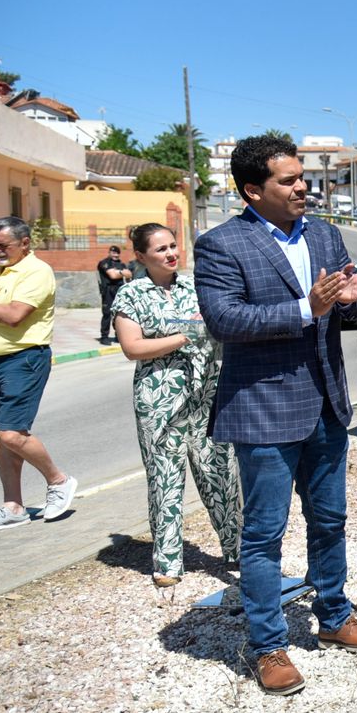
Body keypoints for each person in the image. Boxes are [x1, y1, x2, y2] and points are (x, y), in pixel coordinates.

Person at [195, 135, 357, 696]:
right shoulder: (221, 245)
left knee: (330, 520)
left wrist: (355, 295)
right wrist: (309, 307)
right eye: (288, 180)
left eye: (302, 177)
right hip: (264, 412)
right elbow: (225, 320)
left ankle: (334, 617)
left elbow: (351, 306)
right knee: (263, 536)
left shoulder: (324, 234)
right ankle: (268, 646)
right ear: (253, 190)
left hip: (326, 405)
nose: (303, 186)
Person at [112, 223, 241, 587]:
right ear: (141, 256)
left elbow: (220, 324)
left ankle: (238, 549)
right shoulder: (131, 295)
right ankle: (168, 561)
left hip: (207, 394)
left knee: (221, 473)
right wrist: (183, 336)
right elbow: (132, 347)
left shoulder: (196, 287)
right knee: (165, 478)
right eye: (160, 249)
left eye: (173, 246)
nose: (171, 254)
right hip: (159, 400)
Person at [0, 217, 78, 533]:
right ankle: (13, 505)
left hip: (24, 359)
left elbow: (14, 315)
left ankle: (59, 481)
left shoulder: (36, 271)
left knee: (12, 433)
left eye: (4, 245)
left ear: (25, 243)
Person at [95, 244, 131, 344]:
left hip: (119, 290)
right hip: (108, 291)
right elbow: (112, 275)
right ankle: (104, 337)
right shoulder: (104, 263)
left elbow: (129, 275)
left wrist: (118, 272)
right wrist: (122, 272)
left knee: (119, 314)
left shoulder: (122, 264)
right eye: (113, 252)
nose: (115, 254)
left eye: (117, 253)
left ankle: (118, 336)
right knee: (107, 314)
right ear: (109, 253)